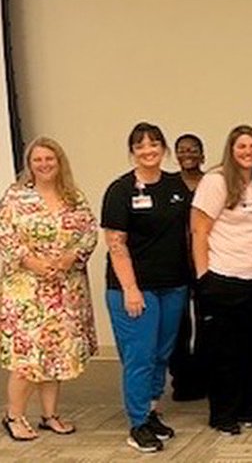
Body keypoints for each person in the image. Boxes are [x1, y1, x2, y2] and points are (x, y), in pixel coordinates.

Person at [0, 137, 98, 442]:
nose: (44, 164)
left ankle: (49, 415)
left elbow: (89, 233)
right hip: (26, 290)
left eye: (49, 159)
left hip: (66, 288)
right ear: (29, 164)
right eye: (37, 160)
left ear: (59, 161)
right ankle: (13, 416)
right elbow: (3, 235)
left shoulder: (74, 197)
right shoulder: (16, 197)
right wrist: (31, 262)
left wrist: (71, 257)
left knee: (55, 354)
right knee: (27, 356)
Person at [100, 123, 193, 452]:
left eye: (154, 144)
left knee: (160, 355)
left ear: (164, 149)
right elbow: (116, 243)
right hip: (134, 290)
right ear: (132, 152)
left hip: (173, 286)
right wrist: (131, 289)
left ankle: (152, 411)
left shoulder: (176, 185)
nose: (148, 150)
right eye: (140, 146)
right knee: (139, 357)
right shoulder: (120, 190)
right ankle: (137, 423)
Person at [191, 125, 252, 435]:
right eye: (241, 147)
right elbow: (199, 229)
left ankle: (248, 406)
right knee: (224, 352)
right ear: (231, 150)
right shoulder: (215, 181)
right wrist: (204, 278)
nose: (248, 152)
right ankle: (223, 413)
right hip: (225, 277)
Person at [170, 132, 207, 403]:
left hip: (208, 262)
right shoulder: (166, 184)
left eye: (193, 149)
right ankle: (183, 379)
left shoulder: (212, 183)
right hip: (175, 264)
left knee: (207, 322)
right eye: (182, 150)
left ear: (202, 155)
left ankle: (207, 375)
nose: (188, 154)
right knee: (179, 325)